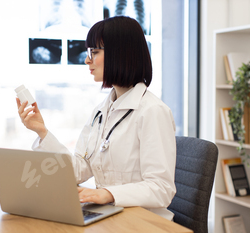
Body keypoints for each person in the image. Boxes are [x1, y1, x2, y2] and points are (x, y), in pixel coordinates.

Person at [16, 16, 177, 220]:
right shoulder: (101, 111)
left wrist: (107, 194)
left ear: (120, 54)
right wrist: (41, 131)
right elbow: (78, 171)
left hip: (143, 221)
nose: (87, 60)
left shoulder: (152, 111)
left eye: (95, 52)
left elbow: (161, 189)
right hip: (110, 214)